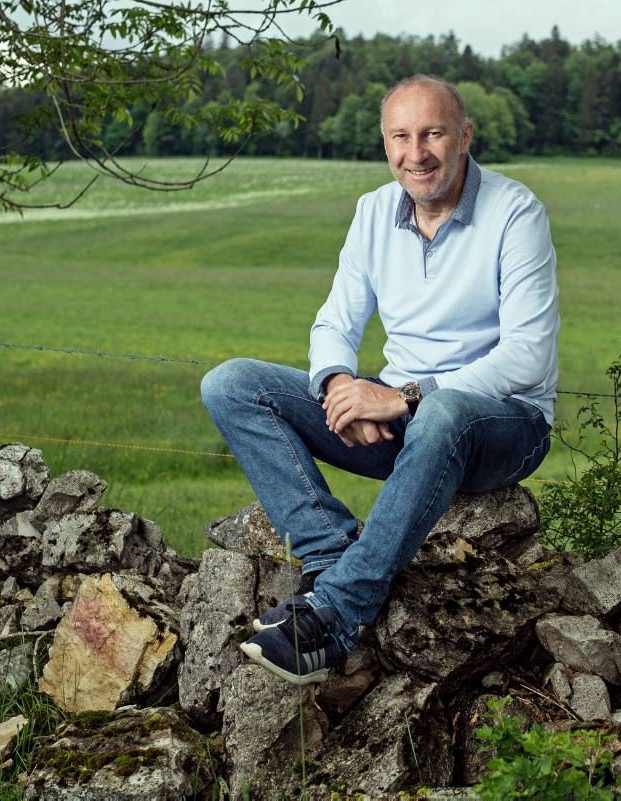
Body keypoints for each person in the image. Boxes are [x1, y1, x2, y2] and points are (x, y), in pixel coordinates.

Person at [200, 75, 559, 685]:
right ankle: (329, 553)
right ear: (386, 143)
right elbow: (335, 322)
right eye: (401, 136)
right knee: (232, 384)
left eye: (433, 134)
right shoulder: (373, 212)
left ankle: (335, 617)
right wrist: (340, 384)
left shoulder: (514, 212)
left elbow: (526, 355)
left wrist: (402, 396)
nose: (415, 153)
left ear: (465, 136)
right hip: (404, 422)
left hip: (503, 424)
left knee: (446, 413)